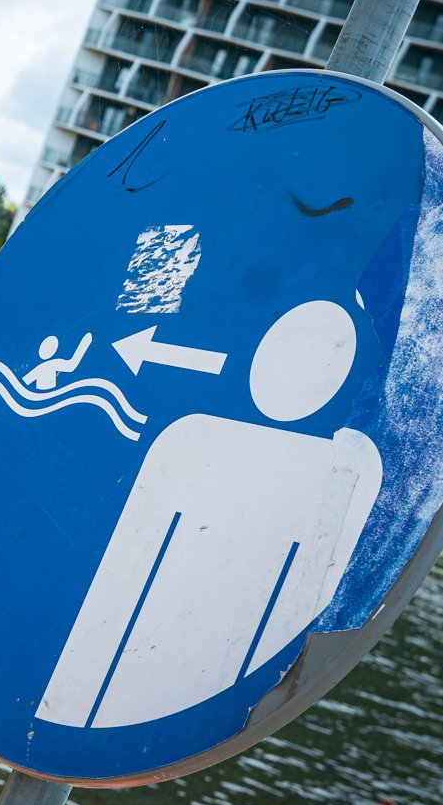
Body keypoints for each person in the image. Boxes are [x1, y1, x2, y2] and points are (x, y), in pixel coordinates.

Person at [36, 299, 382, 729]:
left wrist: (62, 712)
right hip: (169, 698)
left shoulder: (197, 439)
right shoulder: (343, 464)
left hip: (160, 695)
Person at [24, 333, 92, 391]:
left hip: (43, 394)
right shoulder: (54, 363)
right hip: (50, 393)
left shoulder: (40, 367)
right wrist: (85, 343)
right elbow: (71, 365)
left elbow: (25, 381)